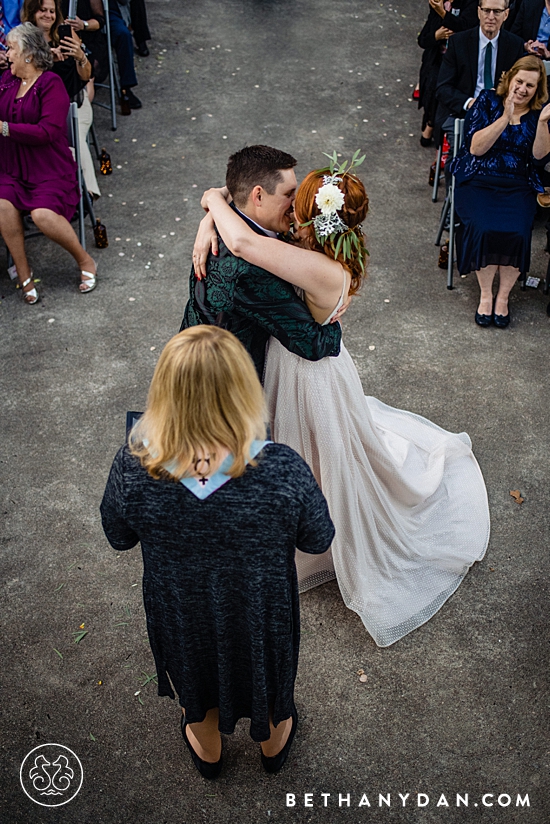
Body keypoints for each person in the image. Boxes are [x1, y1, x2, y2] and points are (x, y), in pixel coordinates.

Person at [199, 154, 491, 648]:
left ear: (316, 217)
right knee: (310, 449)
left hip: (307, 372)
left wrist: (210, 201)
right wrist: (212, 213)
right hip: (300, 365)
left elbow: (245, 241)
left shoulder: (317, 265)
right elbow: (246, 220)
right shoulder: (319, 247)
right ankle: (303, 518)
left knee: (318, 452)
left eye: (298, 202)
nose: (290, 208)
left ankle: (318, 532)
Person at [100, 326, 334, 777]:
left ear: (164, 392)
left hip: (180, 609)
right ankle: (272, 747)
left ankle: (209, 753)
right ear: (244, 390)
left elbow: (119, 536)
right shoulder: (281, 468)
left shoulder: (133, 465)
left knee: (195, 679)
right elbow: (317, 538)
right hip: (260, 610)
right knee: (266, 673)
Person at [180, 145, 342, 381]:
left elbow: (237, 184)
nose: (296, 204)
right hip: (222, 389)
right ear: (258, 196)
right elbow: (313, 343)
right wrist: (333, 311)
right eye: (289, 194)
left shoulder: (230, 215)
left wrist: (213, 201)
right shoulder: (249, 269)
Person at [0, 22, 97, 302]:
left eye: (12, 49)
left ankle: (85, 260)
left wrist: (5, 128)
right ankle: (24, 271)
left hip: (48, 170)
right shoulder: (7, 80)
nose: (7, 54)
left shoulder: (50, 83)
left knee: (42, 215)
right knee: (2, 204)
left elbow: (48, 132)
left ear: (28, 54)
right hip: (12, 169)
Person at [450, 56, 550, 326]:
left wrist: (542, 123)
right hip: (478, 179)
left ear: (538, 89)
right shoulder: (487, 100)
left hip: (518, 184)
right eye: (519, 81)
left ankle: (503, 297)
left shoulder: (539, 112)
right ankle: (485, 295)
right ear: (510, 78)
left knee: (516, 230)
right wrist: (506, 116)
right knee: (484, 227)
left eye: (530, 85)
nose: (522, 89)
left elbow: (539, 158)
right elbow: (476, 148)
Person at [435, 0, 524, 186]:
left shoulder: (515, 45)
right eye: (487, 10)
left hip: (501, 112)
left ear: (506, 15)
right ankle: (457, 203)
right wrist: (471, 103)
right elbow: (443, 88)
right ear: (478, 12)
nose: (491, 17)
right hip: (463, 110)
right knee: (459, 159)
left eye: (497, 12)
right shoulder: (459, 42)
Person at [22, 0, 101, 200]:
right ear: (33, 12)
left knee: (74, 139)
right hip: (40, 111)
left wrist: (80, 56)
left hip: (73, 103)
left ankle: (87, 194)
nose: (48, 15)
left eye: (51, 11)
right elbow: (20, 77)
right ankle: (66, 194)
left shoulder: (64, 33)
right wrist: (47, 59)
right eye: (42, 10)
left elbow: (85, 75)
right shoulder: (23, 40)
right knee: (57, 145)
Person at [417, 0, 479, 146]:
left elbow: (465, 27)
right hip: (438, 59)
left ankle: (433, 128)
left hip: (460, 62)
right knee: (432, 82)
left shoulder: (470, 5)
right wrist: (436, 36)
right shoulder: (438, 5)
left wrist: (443, 14)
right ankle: (430, 123)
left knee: (446, 89)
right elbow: (423, 40)